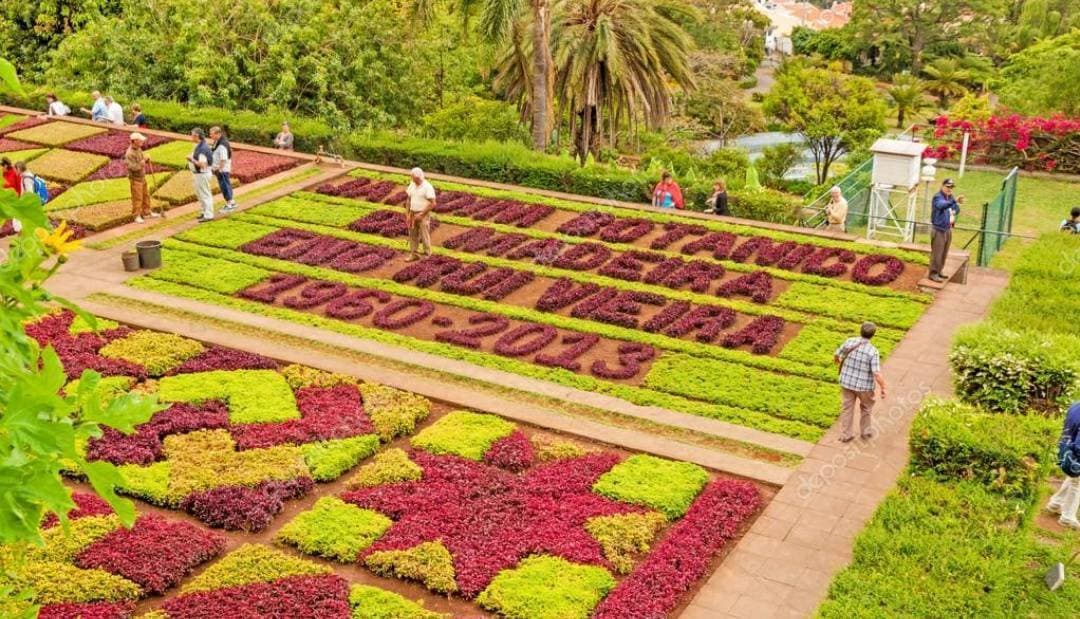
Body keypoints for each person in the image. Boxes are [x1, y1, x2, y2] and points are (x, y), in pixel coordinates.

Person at [834, 322, 887, 442]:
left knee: (847, 408)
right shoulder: (873, 351)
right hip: (864, 387)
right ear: (873, 335)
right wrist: (883, 387)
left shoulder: (850, 341)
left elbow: (837, 354)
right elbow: (876, 373)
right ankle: (865, 432)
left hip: (846, 382)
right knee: (866, 408)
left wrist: (837, 361)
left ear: (860, 331)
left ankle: (846, 435)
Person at [1048, 401, 1080, 529]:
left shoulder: (1075, 405)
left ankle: (1055, 503)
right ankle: (1067, 517)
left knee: (1073, 478)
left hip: (1064, 448)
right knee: (1077, 483)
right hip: (1075, 454)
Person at [929, 178, 963, 282]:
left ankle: (939, 271)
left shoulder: (950, 197)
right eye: (948, 187)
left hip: (948, 229)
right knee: (937, 253)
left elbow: (956, 210)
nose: (950, 189)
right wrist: (954, 201)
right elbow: (941, 205)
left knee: (944, 253)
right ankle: (933, 273)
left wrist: (956, 206)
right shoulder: (937, 197)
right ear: (942, 186)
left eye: (951, 187)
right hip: (938, 230)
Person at [404, 167, 436, 261]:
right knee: (412, 234)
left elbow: (433, 203)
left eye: (414, 178)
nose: (412, 180)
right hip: (413, 213)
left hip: (423, 215)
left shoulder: (427, 187)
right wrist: (408, 214)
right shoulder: (412, 185)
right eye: (412, 178)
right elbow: (408, 200)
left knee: (424, 234)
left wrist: (421, 214)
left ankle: (427, 254)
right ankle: (414, 254)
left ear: (419, 177)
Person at [125, 132, 156, 224]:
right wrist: (143, 162)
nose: (142, 142)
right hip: (135, 179)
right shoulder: (129, 154)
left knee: (146, 195)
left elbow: (142, 160)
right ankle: (136, 215)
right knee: (137, 198)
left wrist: (146, 160)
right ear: (134, 141)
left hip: (142, 177)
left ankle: (147, 212)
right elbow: (132, 167)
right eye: (140, 140)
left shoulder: (138, 149)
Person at [187, 128, 215, 222]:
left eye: (192, 135)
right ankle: (204, 212)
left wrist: (191, 159)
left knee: (205, 194)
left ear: (196, 136)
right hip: (198, 174)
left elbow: (202, 165)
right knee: (200, 194)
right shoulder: (200, 145)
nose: (191, 137)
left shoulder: (202, 148)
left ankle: (209, 214)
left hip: (202, 174)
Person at [209, 126, 237, 212]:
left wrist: (218, 169)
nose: (210, 135)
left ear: (218, 134)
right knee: (226, 185)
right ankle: (231, 202)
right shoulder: (218, 141)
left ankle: (230, 204)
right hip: (222, 169)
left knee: (224, 186)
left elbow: (223, 159)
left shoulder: (222, 145)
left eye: (212, 134)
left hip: (222, 170)